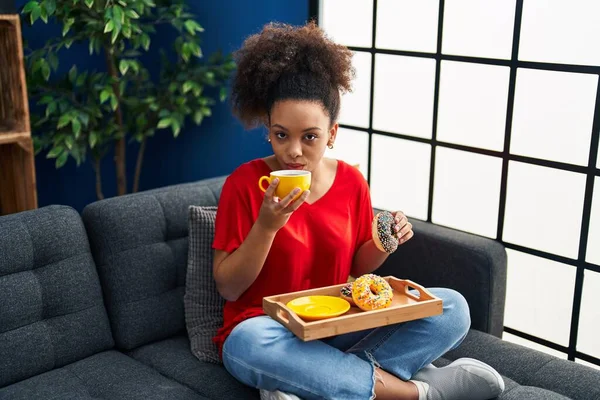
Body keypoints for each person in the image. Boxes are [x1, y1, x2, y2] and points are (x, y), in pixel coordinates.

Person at [212, 21, 505, 400]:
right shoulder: (244, 183)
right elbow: (229, 287)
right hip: (267, 327)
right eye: (282, 134)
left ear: (332, 133)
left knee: (452, 308)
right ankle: (420, 391)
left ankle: (306, 381)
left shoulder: (352, 182)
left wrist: (385, 240)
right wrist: (267, 226)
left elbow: (359, 266)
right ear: (268, 129)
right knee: (248, 345)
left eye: (310, 137)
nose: (294, 151)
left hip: (340, 323)